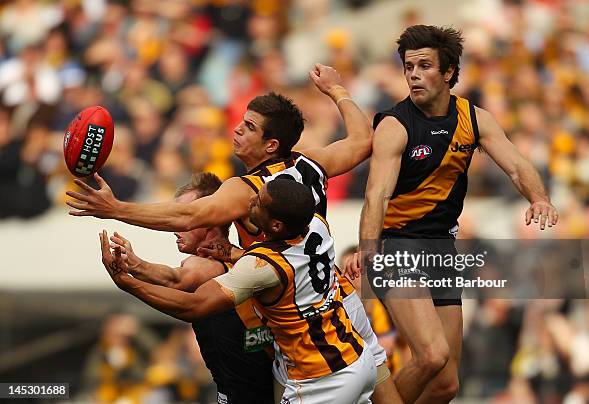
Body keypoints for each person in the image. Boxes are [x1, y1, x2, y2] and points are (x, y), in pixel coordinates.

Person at [67, 64, 399, 402]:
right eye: (242, 120)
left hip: (303, 333)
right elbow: (361, 140)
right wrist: (336, 89)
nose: (237, 129)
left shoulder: (248, 189)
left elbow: (188, 216)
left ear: (271, 145)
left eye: (250, 127)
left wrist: (115, 209)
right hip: (340, 304)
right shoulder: (310, 163)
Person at [345, 25, 559, 403]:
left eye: (424, 65)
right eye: (408, 66)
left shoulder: (474, 119)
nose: (413, 74)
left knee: (446, 385)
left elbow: (516, 164)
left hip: (441, 247)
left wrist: (539, 198)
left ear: (448, 73)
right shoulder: (395, 125)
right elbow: (376, 194)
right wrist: (368, 247)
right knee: (432, 355)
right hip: (397, 245)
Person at [100, 179, 377, 403]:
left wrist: (129, 280)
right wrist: (233, 252)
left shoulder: (258, 266)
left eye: (258, 202)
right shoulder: (315, 225)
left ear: (276, 224)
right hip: (354, 357)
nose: (249, 201)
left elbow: (189, 301)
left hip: (321, 377)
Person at [108, 172, 274, 403]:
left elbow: (177, 280)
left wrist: (133, 267)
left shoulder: (208, 264)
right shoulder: (241, 260)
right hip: (242, 389)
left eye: (185, 218)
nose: (175, 228)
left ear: (208, 219)